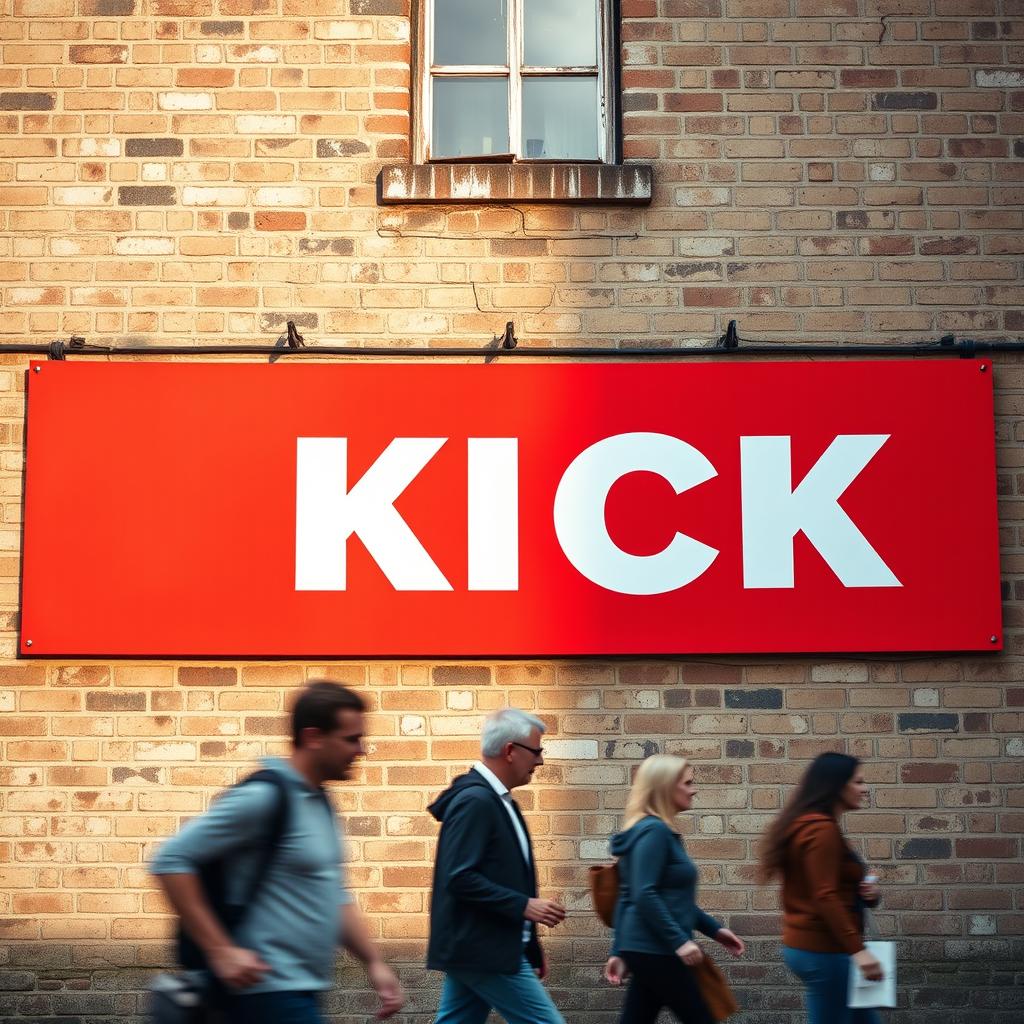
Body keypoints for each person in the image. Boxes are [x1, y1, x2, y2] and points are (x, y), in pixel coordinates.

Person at [150, 681, 404, 1024]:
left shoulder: (320, 801)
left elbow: (333, 893)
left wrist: (373, 963)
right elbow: (171, 860)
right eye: (351, 739)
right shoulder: (265, 797)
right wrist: (220, 950)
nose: (361, 750)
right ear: (313, 737)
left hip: (303, 990)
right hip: (263, 991)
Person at [426, 708, 567, 1024]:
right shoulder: (475, 802)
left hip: (485, 946)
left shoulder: (500, 802)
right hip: (484, 949)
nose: (540, 761)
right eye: (536, 750)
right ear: (510, 752)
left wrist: (530, 947)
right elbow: (459, 877)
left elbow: (509, 877)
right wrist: (524, 906)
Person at [604, 754, 745, 1024]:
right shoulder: (654, 832)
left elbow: (642, 896)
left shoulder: (652, 831)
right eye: (688, 783)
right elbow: (643, 894)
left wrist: (714, 930)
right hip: (658, 949)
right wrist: (679, 941)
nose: (694, 789)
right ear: (666, 787)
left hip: (648, 948)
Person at [758, 751, 884, 1024]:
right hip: (824, 950)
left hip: (815, 947)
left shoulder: (808, 825)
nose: (865, 789)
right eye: (858, 782)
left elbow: (824, 886)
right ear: (837, 785)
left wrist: (866, 892)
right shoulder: (821, 830)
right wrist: (858, 950)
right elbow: (824, 894)